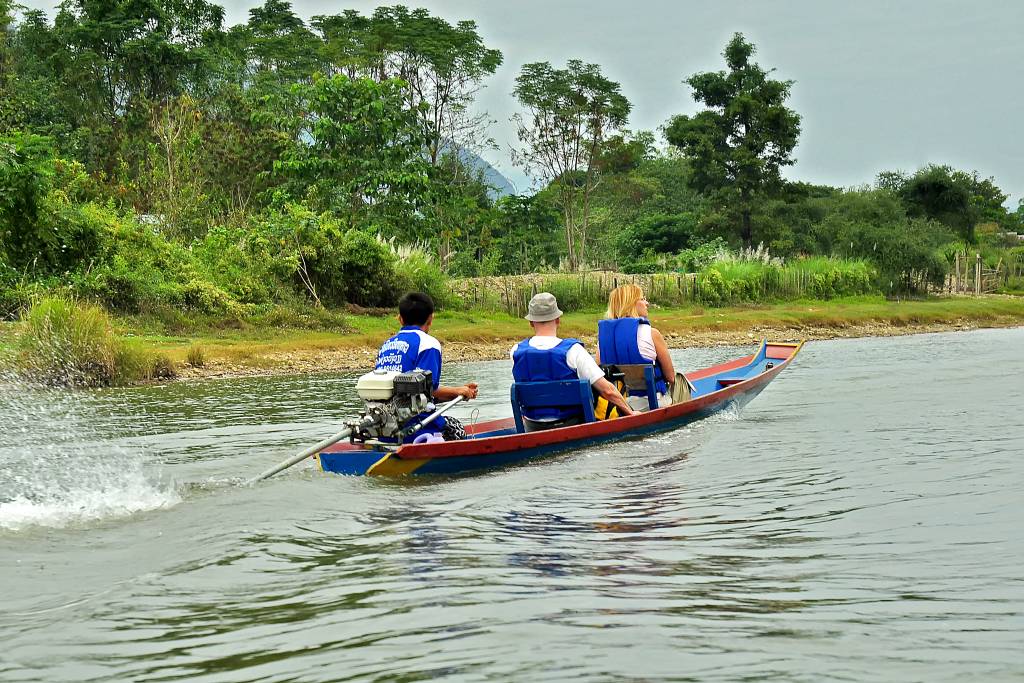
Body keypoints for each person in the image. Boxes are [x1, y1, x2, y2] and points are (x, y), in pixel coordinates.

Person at [510, 292, 634, 431]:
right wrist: (631, 413)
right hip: (571, 424)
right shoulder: (573, 350)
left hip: (532, 426)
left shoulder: (516, 351)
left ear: (531, 323)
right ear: (558, 320)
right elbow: (608, 391)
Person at [375, 292, 478, 441]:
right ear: (430, 319)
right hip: (417, 427)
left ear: (400, 319)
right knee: (457, 429)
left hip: (384, 428)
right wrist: (458, 391)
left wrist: (459, 391)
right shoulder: (428, 343)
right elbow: (429, 390)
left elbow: (413, 391)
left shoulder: (386, 345)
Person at [597, 283, 677, 412]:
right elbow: (670, 377)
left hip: (617, 406)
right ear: (631, 304)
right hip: (653, 402)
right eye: (642, 299)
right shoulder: (652, 333)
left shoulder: (603, 339)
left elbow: (598, 374)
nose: (647, 303)